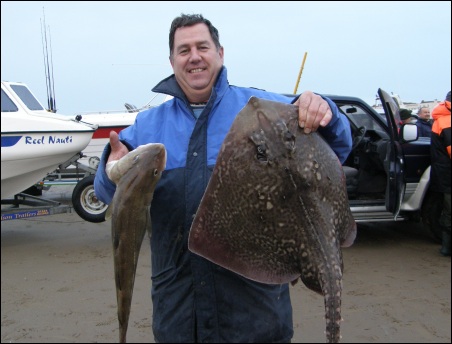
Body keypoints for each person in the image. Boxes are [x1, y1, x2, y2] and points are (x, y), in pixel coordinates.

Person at [94, 13, 352, 343]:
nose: (194, 56)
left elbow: (338, 146)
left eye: (203, 46)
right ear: (171, 60)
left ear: (220, 53)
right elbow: (106, 193)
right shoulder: (147, 127)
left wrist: (324, 112)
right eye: (183, 50)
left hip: (256, 312)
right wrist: (111, 168)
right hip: (180, 313)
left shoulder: (262, 108)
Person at [430, 91, 451, 256]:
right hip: (448, 174)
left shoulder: (441, 119)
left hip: (444, 174)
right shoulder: (447, 121)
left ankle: (446, 246)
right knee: (449, 210)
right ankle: (447, 247)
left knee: (448, 209)